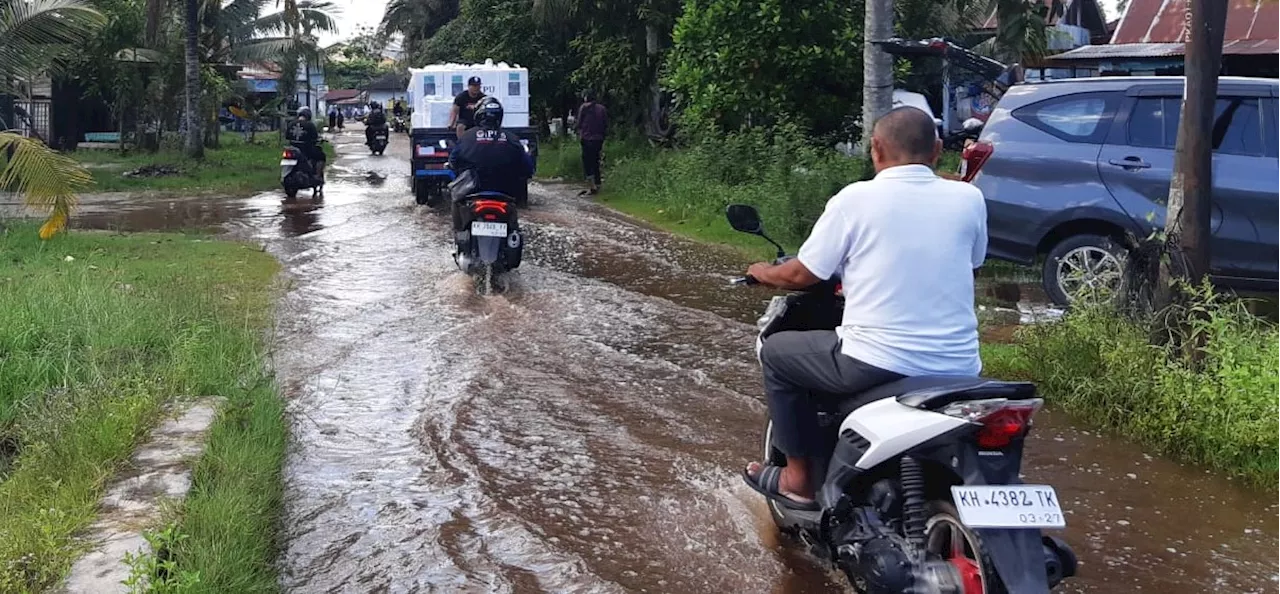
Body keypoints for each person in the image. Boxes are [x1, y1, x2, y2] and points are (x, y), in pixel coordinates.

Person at [741, 107, 987, 510]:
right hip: (960, 367)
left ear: (875, 149)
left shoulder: (855, 199)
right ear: (938, 150)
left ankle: (798, 479)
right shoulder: (969, 198)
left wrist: (764, 272)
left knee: (777, 354)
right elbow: (969, 264)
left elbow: (804, 274)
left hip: (878, 360)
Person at [448, 97, 533, 235]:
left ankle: (459, 234)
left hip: (473, 191)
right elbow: (528, 167)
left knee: (456, 200)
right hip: (506, 193)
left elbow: (453, 160)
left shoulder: (467, 137)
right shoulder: (512, 138)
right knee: (514, 228)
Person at [576, 90, 608, 194]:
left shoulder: (584, 108)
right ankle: (598, 184)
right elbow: (605, 124)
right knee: (595, 161)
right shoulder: (602, 108)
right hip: (599, 139)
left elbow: (579, 123)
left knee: (587, 162)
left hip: (587, 139)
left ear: (586, 97)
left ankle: (592, 186)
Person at [286, 107, 326, 185]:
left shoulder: (291, 124)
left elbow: (287, 137)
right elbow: (315, 137)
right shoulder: (310, 125)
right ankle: (317, 175)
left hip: (292, 149)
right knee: (321, 156)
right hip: (306, 150)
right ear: (308, 116)